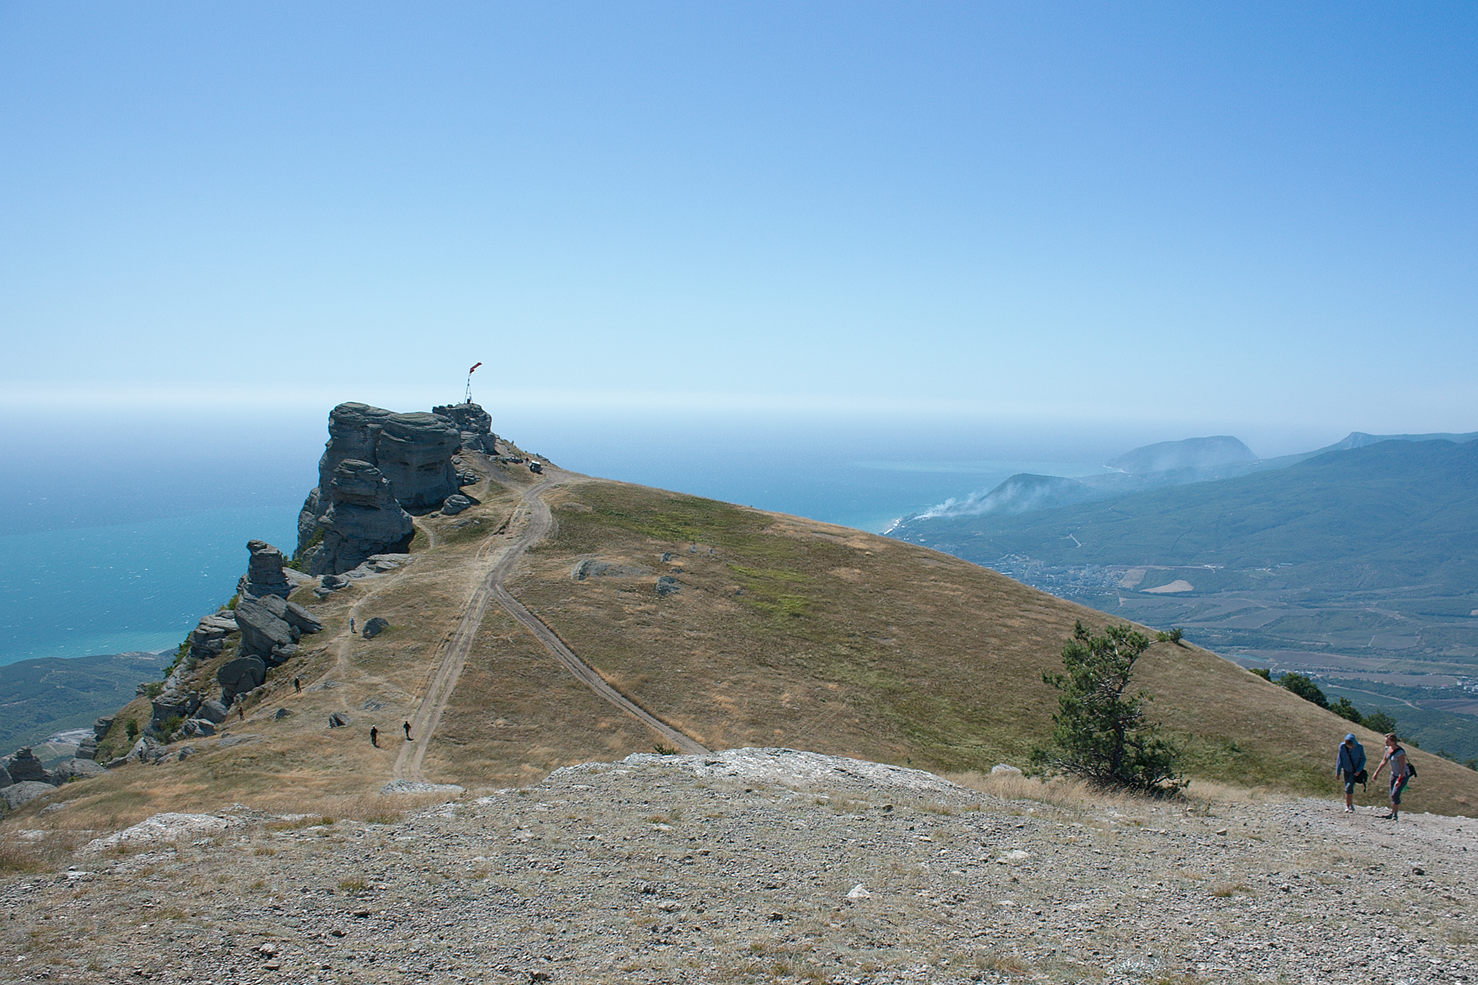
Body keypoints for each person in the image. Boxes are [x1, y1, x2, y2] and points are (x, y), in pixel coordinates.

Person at [1369, 732, 1410, 821]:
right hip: (1394, 774)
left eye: (1387, 741)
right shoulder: (1387, 749)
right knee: (1392, 794)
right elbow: (1384, 761)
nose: (1385, 742)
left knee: (1395, 794)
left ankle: (1395, 815)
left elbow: (1403, 767)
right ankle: (1393, 813)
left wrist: (1400, 780)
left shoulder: (1400, 752)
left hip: (1402, 775)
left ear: (1392, 741)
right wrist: (1376, 773)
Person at [1336, 732, 1366, 813]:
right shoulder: (1342, 746)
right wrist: (1338, 772)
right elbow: (1339, 760)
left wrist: (1359, 770)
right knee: (1348, 788)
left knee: (1348, 787)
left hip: (1355, 771)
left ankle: (1348, 806)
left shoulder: (1359, 747)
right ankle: (1349, 805)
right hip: (1346, 770)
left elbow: (1363, 759)